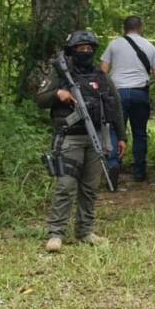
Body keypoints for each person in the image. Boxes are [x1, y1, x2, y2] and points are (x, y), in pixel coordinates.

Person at [36, 30, 126, 253]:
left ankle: (85, 231)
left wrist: (122, 136)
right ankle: (56, 233)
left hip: (95, 137)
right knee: (65, 186)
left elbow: (114, 105)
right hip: (69, 138)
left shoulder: (100, 76)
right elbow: (40, 98)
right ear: (72, 51)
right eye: (80, 49)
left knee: (90, 188)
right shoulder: (60, 75)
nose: (85, 52)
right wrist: (58, 93)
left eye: (89, 49)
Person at [100, 15, 155, 184]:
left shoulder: (114, 45)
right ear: (141, 27)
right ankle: (139, 172)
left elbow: (102, 72)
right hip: (140, 94)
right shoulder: (150, 47)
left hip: (117, 94)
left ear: (124, 28)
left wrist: (101, 95)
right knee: (140, 133)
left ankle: (114, 164)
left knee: (114, 130)